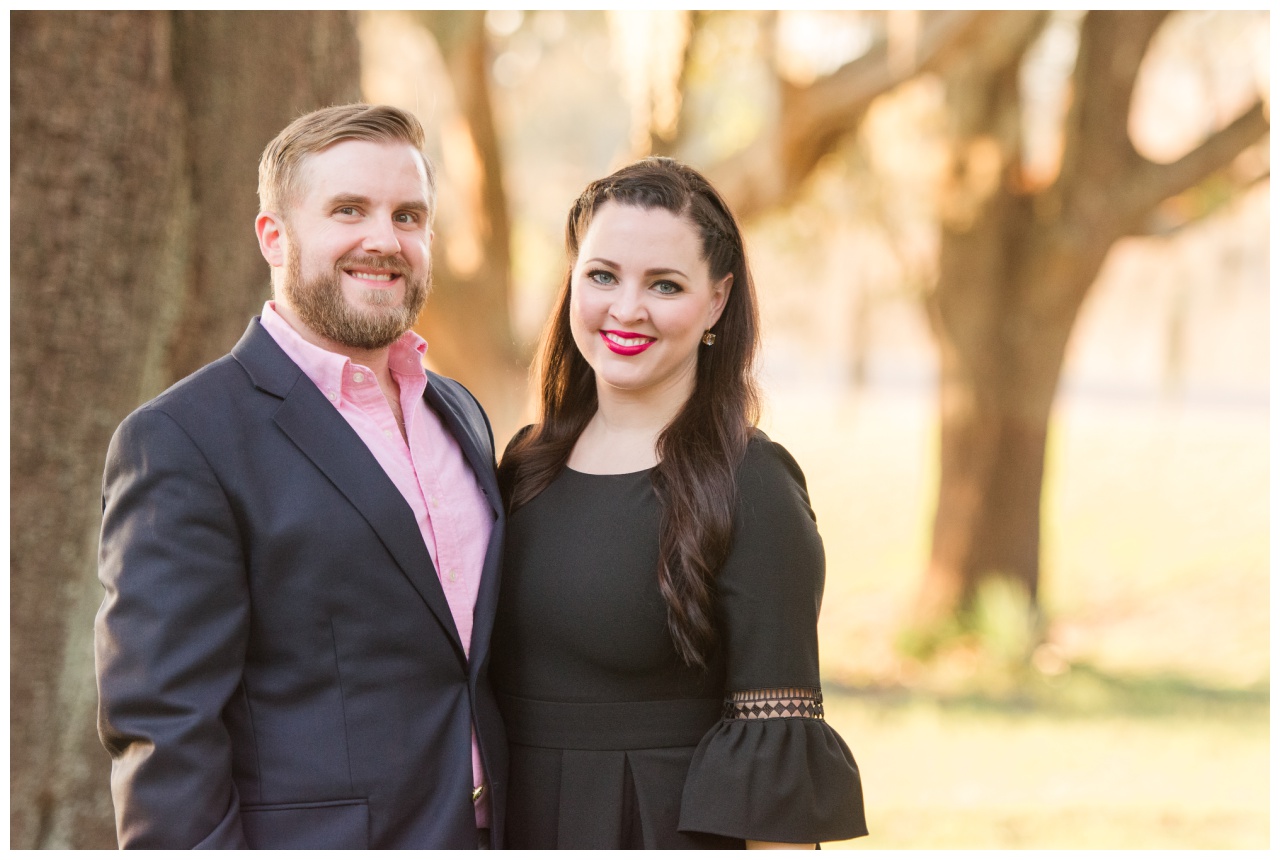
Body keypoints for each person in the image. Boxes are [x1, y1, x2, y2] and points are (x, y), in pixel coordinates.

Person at [94, 104, 506, 849]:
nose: (384, 239)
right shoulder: (181, 440)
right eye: (349, 209)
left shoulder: (460, 415)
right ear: (273, 236)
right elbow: (165, 733)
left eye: (408, 215)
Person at [492, 158, 867, 849]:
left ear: (717, 301)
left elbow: (777, 777)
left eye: (664, 285)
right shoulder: (524, 466)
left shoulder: (751, 485)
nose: (626, 309)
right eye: (602, 276)